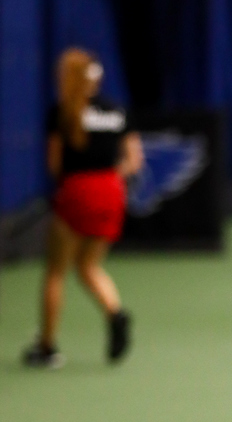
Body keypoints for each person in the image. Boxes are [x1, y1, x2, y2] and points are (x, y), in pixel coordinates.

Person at [22, 48, 143, 368]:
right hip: (111, 193)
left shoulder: (61, 113)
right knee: (89, 265)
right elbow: (133, 160)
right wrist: (109, 179)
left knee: (56, 272)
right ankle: (115, 314)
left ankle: (47, 347)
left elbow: (55, 164)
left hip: (77, 193)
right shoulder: (117, 110)